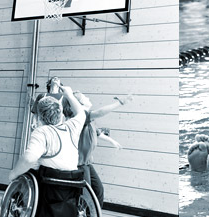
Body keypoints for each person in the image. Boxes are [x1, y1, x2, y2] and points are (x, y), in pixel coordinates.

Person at [8, 85, 86, 217]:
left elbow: (28, 159)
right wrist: (69, 95)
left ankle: (18, 206)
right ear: (61, 114)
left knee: (27, 168)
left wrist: (14, 174)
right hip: (72, 186)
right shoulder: (72, 128)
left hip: (49, 188)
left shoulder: (42, 132)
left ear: (39, 117)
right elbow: (81, 113)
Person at [72, 91, 129, 204]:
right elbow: (100, 112)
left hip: (87, 163)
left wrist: (113, 142)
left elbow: (98, 133)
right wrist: (119, 103)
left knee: (98, 190)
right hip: (79, 164)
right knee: (85, 195)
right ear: (79, 103)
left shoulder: (89, 119)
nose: (87, 98)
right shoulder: (80, 115)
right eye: (84, 97)